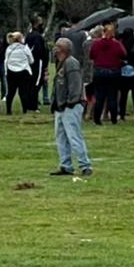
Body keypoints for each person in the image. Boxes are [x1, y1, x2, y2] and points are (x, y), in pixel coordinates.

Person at [50, 38, 92, 177]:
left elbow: (75, 85)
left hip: (71, 106)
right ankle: (65, 165)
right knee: (61, 137)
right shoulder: (60, 63)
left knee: (74, 136)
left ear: (65, 49)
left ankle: (85, 165)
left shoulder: (71, 63)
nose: (55, 49)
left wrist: (71, 102)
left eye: (58, 47)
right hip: (61, 106)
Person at [89, 21, 127, 125]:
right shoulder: (116, 44)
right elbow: (124, 54)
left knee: (99, 96)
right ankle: (113, 118)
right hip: (113, 71)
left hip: (99, 71)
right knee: (112, 96)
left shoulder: (97, 43)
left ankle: (97, 119)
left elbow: (91, 55)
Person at [2, 31, 36, 115]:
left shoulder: (9, 48)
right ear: (20, 38)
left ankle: (8, 110)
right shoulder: (25, 48)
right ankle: (25, 110)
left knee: (10, 92)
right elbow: (31, 60)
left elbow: (6, 60)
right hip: (24, 72)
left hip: (11, 72)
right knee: (23, 92)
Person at [25, 17, 49, 108]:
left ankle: (30, 102)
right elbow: (39, 50)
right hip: (38, 62)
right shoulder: (37, 36)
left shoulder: (29, 35)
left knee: (31, 82)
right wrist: (44, 61)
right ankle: (32, 104)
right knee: (36, 82)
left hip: (30, 62)